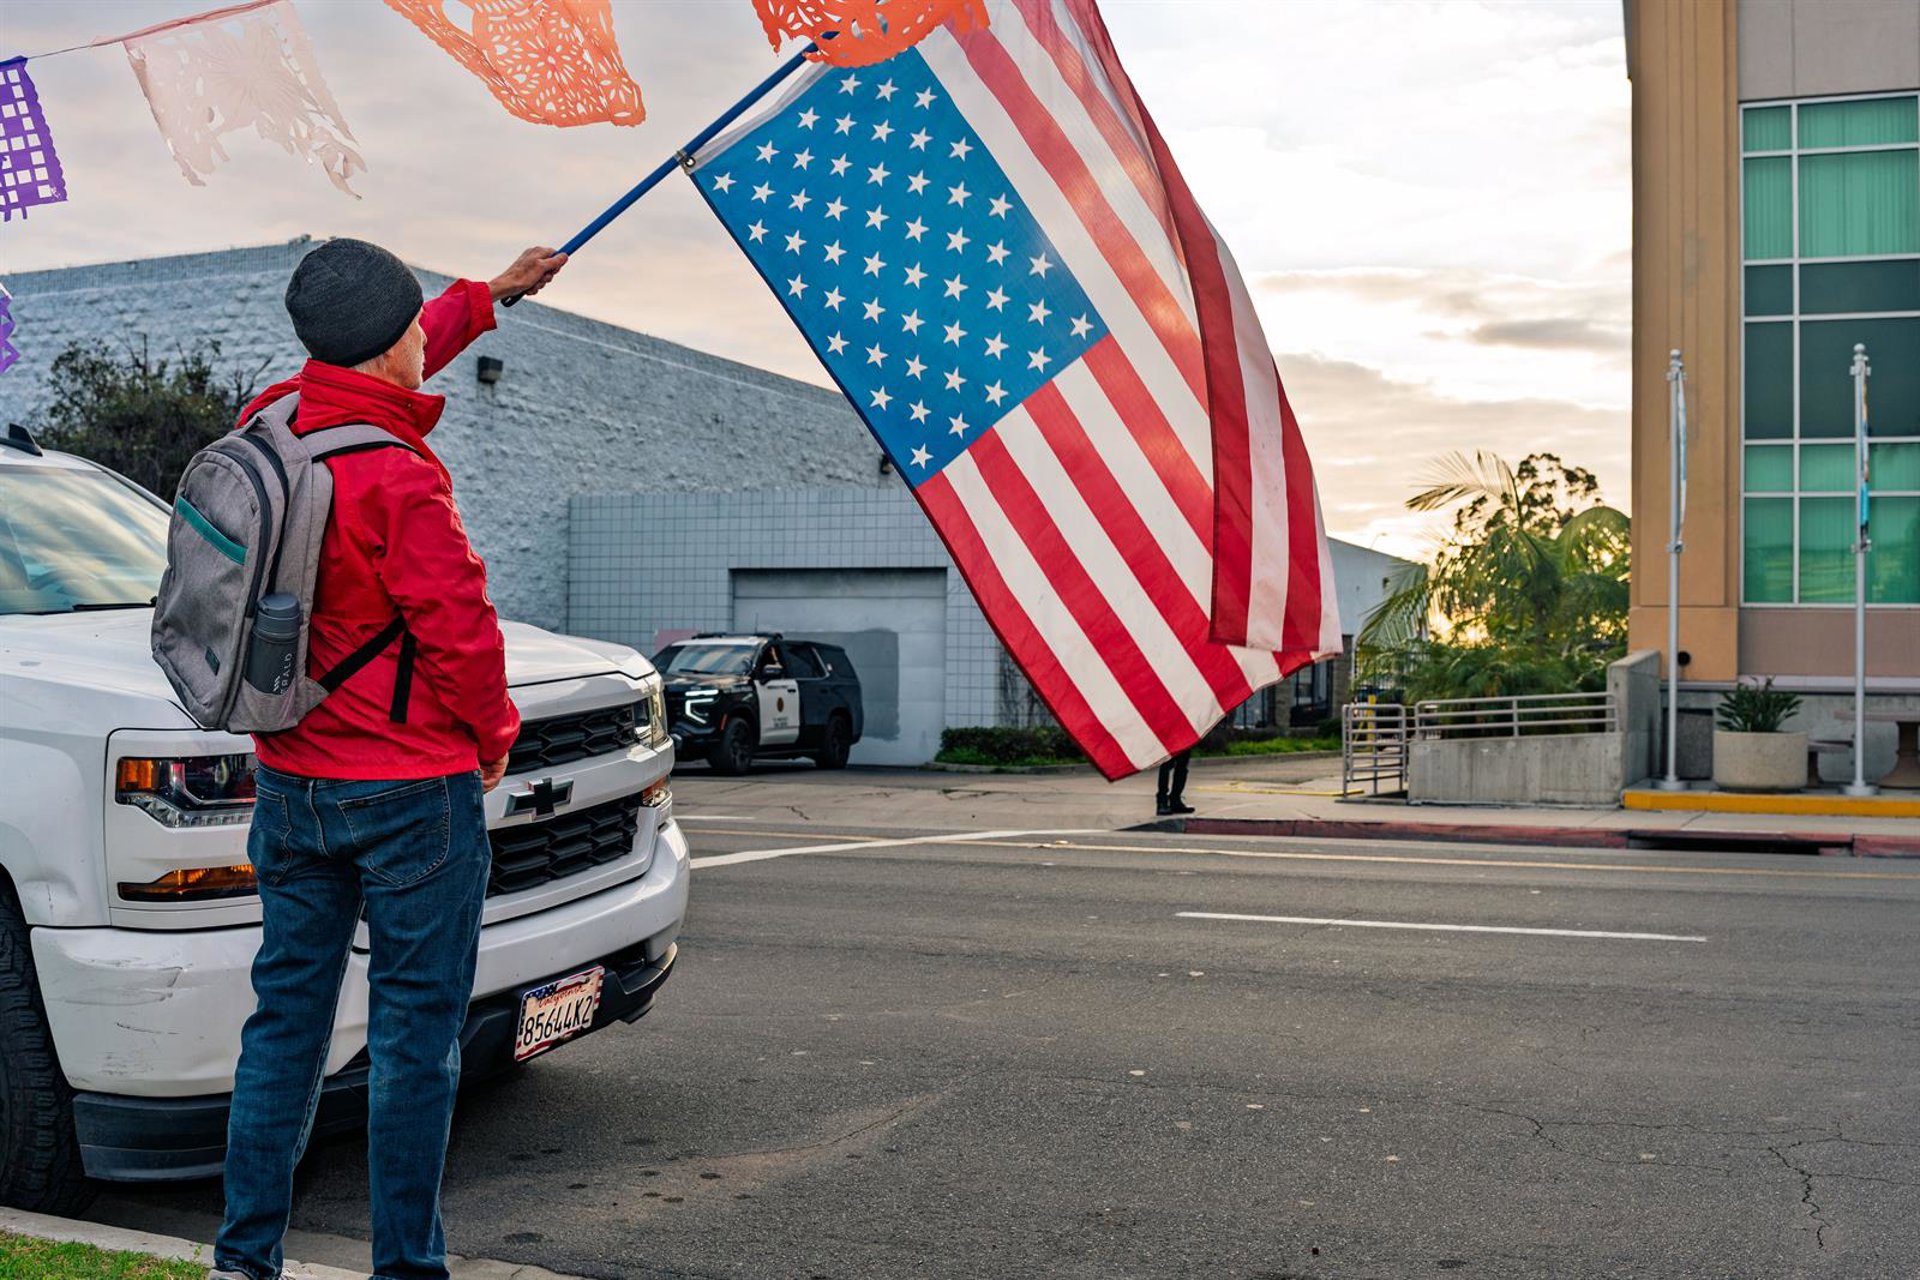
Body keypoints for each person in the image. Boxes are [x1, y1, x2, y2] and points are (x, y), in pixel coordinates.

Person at [210, 239, 565, 1280]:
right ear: (386, 345)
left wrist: (486, 297)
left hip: (292, 786)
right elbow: (462, 635)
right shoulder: (400, 478)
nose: (423, 339)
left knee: (286, 1023)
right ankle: (406, 1268)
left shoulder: (274, 423)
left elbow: (383, 358)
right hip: (412, 794)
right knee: (415, 1041)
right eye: (415, 327)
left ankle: (244, 1260)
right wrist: (495, 738)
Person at [1156, 748, 1194, 816]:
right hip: (1169, 742)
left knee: (1182, 767)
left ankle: (1175, 800)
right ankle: (1162, 801)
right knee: (1166, 766)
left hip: (1183, 741)